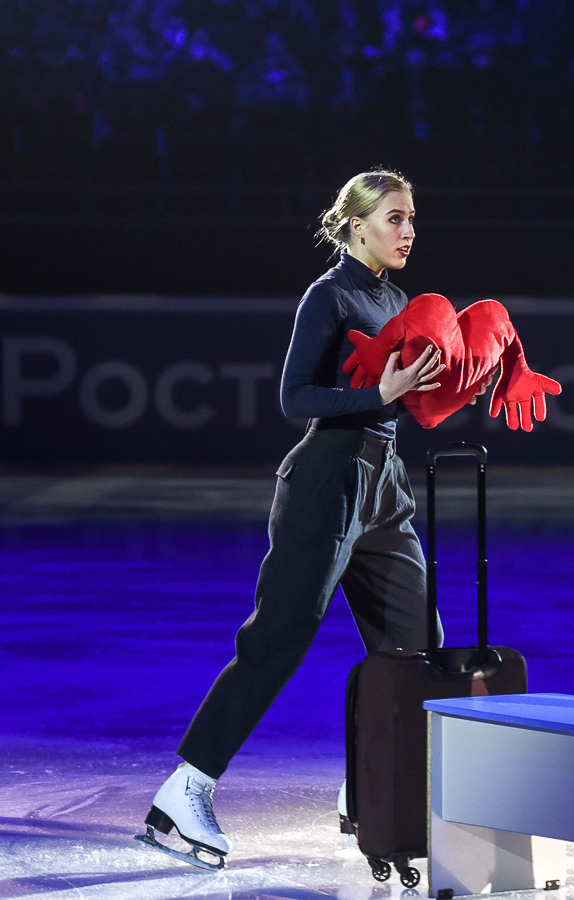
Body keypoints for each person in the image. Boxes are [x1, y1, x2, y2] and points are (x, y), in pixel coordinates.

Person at [138, 169, 457, 870]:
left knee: (417, 649)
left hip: (385, 485)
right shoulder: (330, 295)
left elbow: (409, 400)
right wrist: (380, 390)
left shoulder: (396, 298)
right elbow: (296, 397)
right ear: (358, 225)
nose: (409, 231)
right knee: (277, 639)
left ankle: (368, 795)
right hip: (325, 481)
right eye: (396, 219)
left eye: (411, 219)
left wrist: (475, 376)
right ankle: (183, 792)